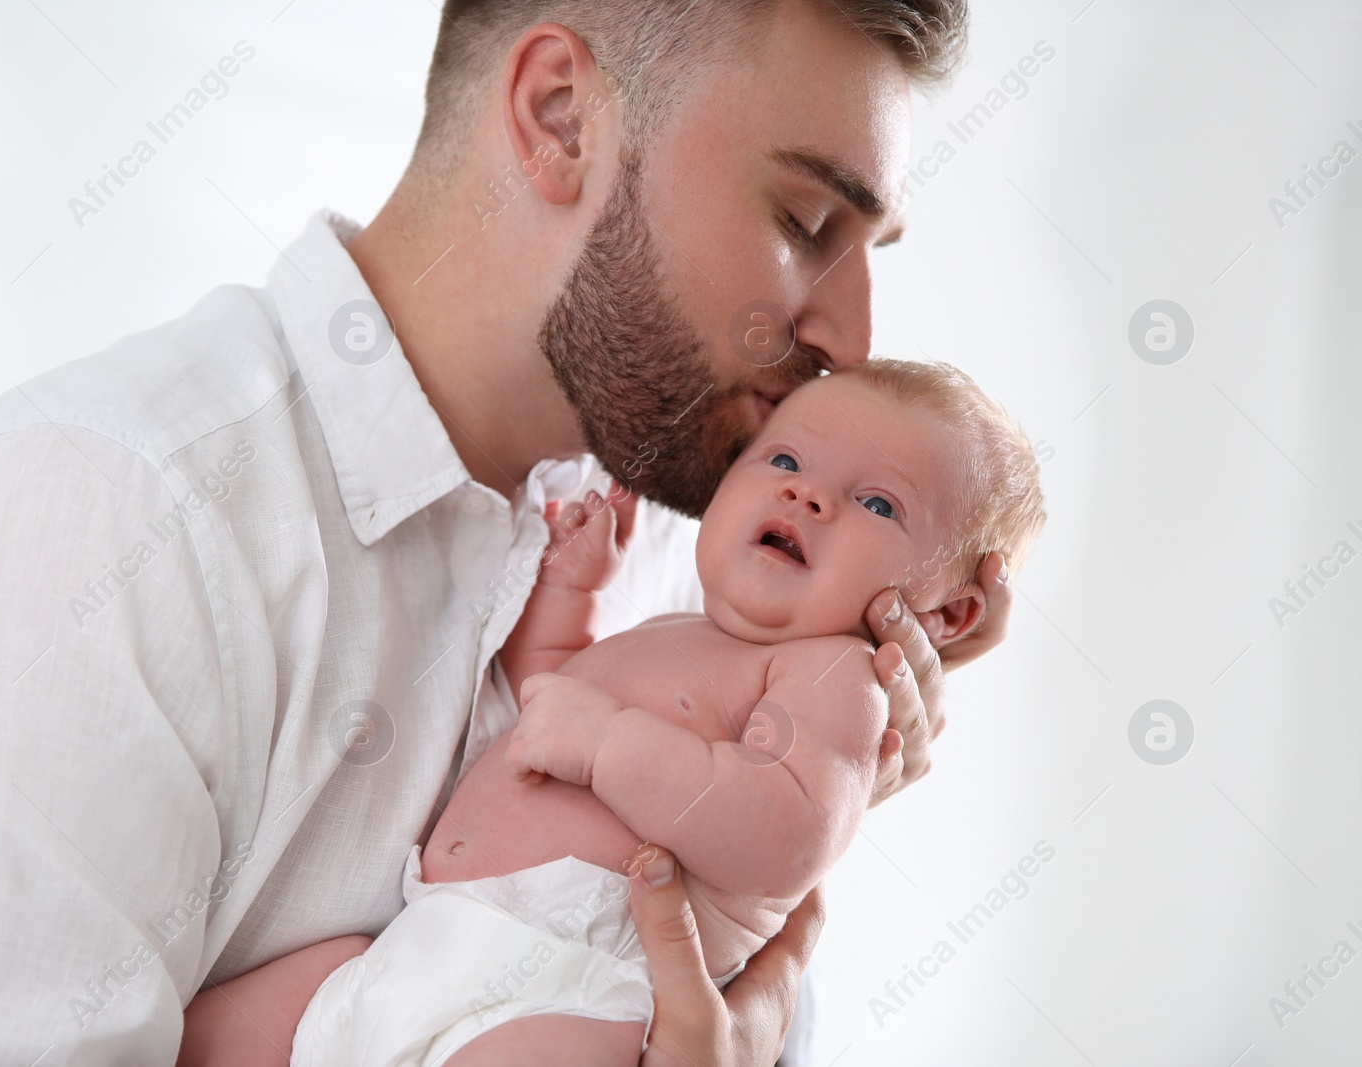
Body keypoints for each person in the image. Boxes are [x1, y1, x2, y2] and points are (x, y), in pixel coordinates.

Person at [0, 1, 1010, 1064]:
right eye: (805, 223)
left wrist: (832, 725)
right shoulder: (97, 516)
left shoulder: (670, 547)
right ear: (562, 116)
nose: (849, 336)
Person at [191, 359, 1045, 1065]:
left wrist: (607, 745)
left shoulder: (839, 677)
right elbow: (546, 704)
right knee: (209, 1033)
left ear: (950, 613)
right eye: (785, 462)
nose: (808, 497)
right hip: (416, 941)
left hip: (564, 987)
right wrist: (570, 593)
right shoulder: (679, 630)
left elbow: (785, 829)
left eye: (878, 503)